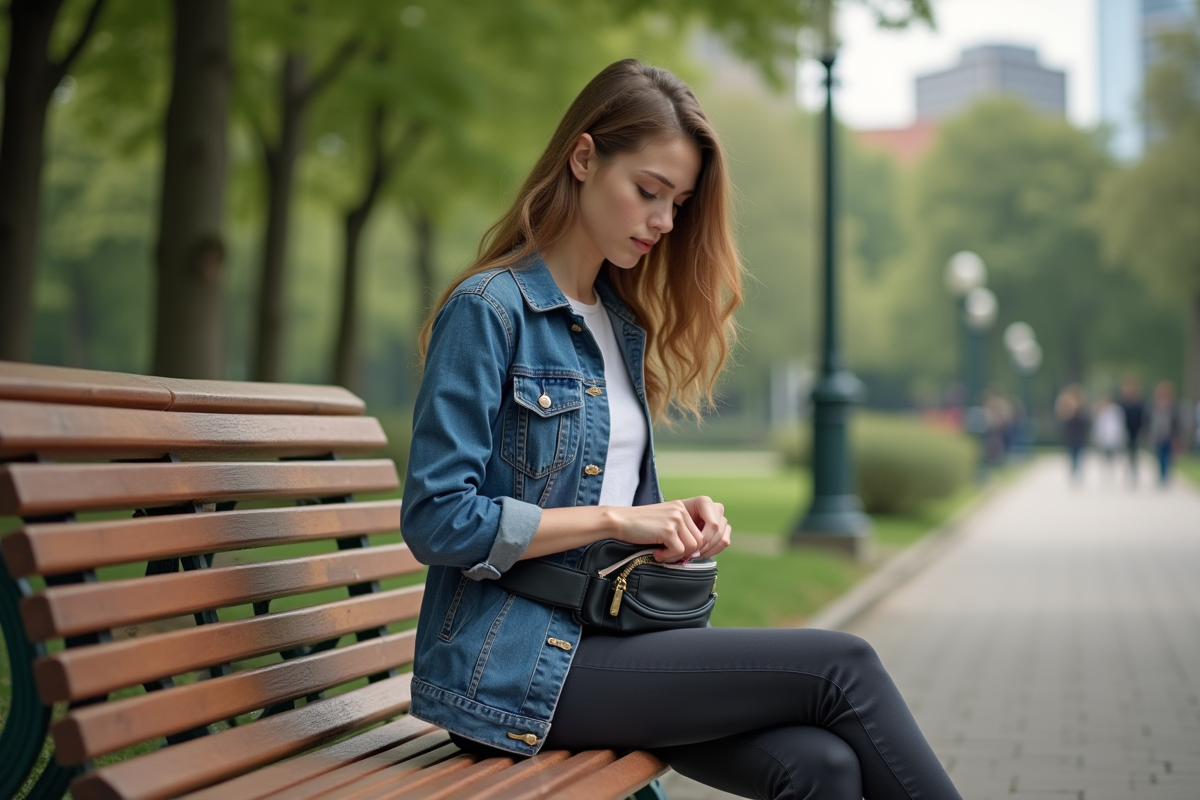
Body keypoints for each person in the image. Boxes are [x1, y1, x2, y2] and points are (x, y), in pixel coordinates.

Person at [401, 60, 962, 800]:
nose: (665, 222)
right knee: (842, 666)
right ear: (583, 157)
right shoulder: (490, 310)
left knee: (821, 767)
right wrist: (619, 518)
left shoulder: (619, 325)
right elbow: (437, 520)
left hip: (616, 644)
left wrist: (676, 522)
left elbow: (609, 507)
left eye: (679, 202)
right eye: (649, 192)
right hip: (508, 662)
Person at [1147, 380, 1182, 485]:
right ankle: (1161, 475)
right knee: (1158, 456)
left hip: (1169, 435)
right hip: (1157, 435)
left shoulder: (1173, 406)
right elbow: (1149, 420)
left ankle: (1165, 475)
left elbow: (1177, 422)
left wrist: (1178, 436)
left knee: (1167, 456)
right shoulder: (1153, 405)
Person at [1055, 384, 1089, 481]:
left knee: (1078, 455)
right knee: (1072, 455)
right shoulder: (1067, 409)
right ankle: (1074, 472)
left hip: (1079, 435)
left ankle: (1077, 472)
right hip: (1071, 436)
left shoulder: (1081, 409)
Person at [1091, 394, 1126, 478]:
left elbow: (1119, 425)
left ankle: (1112, 470)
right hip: (1104, 438)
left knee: (1114, 456)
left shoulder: (1116, 410)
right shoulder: (1101, 411)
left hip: (1114, 437)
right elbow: (1098, 426)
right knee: (1104, 456)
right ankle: (1105, 471)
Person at [1118, 376, 1145, 484]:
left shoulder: (1139, 403)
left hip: (1136, 432)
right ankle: (1127, 474)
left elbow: (1143, 418)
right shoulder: (1122, 403)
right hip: (1125, 431)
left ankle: (1134, 474)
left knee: (1134, 454)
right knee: (1126, 454)